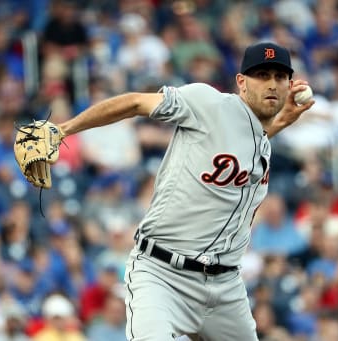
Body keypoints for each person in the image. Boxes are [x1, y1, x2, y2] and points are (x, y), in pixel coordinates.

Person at [49, 41, 314, 340]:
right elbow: (136, 103)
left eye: (280, 77)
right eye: (262, 75)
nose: (272, 84)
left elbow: (245, 137)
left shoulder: (261, 140)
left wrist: (281, 121)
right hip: (163, 275)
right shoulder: (208, 103)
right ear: (241, 82)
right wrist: (64, 129)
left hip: (225, 287)